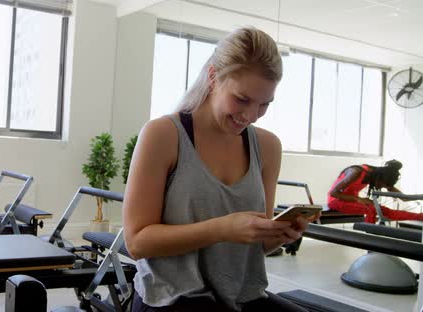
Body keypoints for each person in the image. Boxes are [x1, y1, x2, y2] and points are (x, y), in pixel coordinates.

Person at [123, 27, 317, 312]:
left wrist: (277, 236)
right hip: (173, 299)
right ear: (213, 77)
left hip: (242, 296)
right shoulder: (163, 135)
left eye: (264, 104)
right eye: (242, 99)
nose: (251, 116)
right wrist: (221, 229)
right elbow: (137, 242)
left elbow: (252, 245)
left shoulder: (268, 146)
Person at [328, 159, 423, 224]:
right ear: (380, 178)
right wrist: (358, 199)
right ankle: (369, 238)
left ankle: (420, 217)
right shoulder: (356, 172)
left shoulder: (379, 176)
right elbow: (333, 193)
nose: (381, 187)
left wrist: (420, 196)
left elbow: (404, 198)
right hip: (335, 201)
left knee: (383, 210)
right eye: (382, 185)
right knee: (372, 209)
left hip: (352, 201)